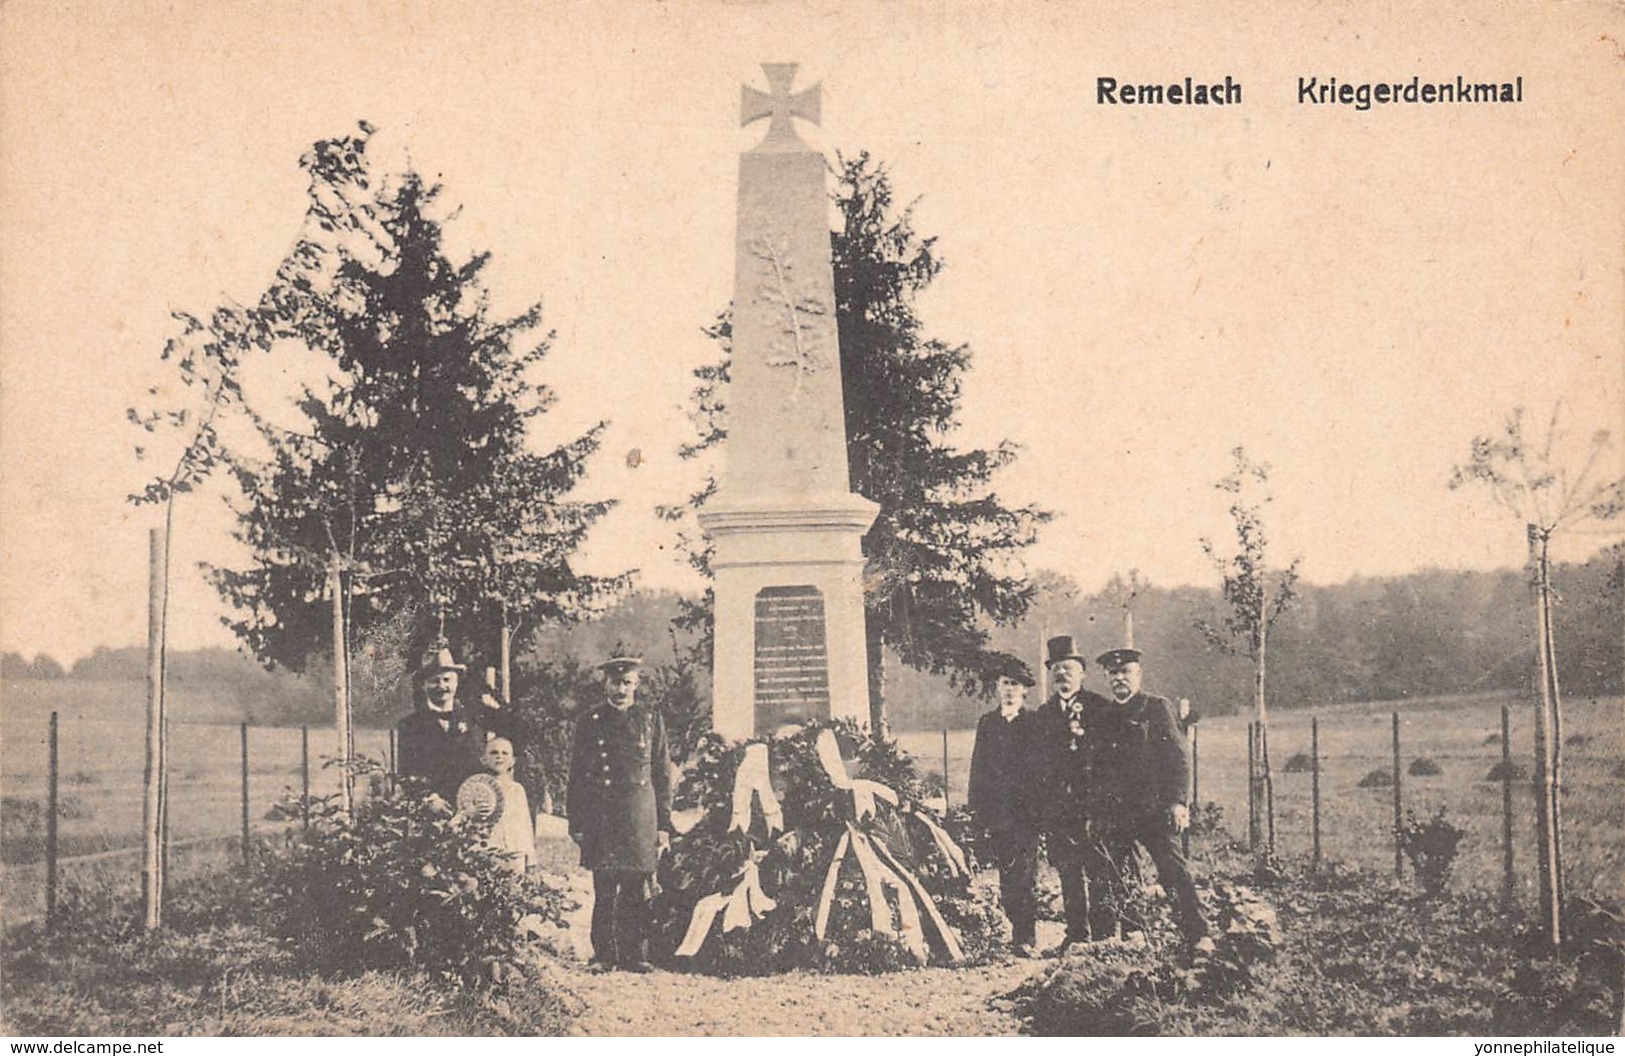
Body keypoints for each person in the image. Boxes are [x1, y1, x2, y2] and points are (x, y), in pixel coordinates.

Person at [1081, 647, 1209, 949]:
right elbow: (1097, 769)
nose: (1119, 678)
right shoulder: (1105, 715)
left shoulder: (1156, 708)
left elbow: (1179, 759)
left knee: (1173, 871)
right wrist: (1096, 812)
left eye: (1125, 672)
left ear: (1138, 675)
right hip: (1117, 813)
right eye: (1113, 674)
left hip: (1155, 809)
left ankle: (1198, 934)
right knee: (1120, 874)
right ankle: (1134, 936)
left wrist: (1179, 802)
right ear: (1107, 678)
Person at [567, 649, 674, 973]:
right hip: (602, 814)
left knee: (636, 888)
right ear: (605, 685)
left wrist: (664, 822)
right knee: (604, 887)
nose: (620, 689)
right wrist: (577, 820)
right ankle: (604, 954)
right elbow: (577, 775)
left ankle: (633, 953)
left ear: (636, 684)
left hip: (639, 813)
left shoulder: (650, 718)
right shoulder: (590, 721)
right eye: (615, 683)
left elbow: (662, 772)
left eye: (627, 683)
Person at [1030, 634, 1113, 954]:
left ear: (1082, 673)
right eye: (1056, 670)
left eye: (1068, 667)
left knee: (1099, 870)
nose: (1062, 674)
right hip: (1058, 810)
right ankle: (1076, 934)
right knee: (1068, 871)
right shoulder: (1044, 714)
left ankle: (1103, 937)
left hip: (1093, 807)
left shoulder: (1100, 709)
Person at [967, 653, 1041, 956]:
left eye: (1016, 685)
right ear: (998, 688)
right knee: (1006, 877)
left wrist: (1039, 810)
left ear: (1025, 690)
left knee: (1024, 875)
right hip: (998, 814)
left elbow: (1043, 769)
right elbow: (978, 769)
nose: (1010, 690)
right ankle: (1015, 931)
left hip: (1026, 814)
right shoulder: (988, 723)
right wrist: (977, 812)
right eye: (1005, 683)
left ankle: (1026, 937)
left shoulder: (1035, 722)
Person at [395, 644, 519, 804]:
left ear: (457, 682)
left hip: (476, 806)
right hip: (433, 811)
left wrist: (494, 700)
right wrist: (429, 800)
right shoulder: (410, 726)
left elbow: (513, 731)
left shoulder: (476, 717)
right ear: (423, 685)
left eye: (447, 680)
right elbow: (406, 774)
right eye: (434, 681)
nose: (442, 686)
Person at [457, 736, 536, 874]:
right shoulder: (476, 786)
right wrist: (471, 813)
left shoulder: (517, 790)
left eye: (504, 753)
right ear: (483, 759)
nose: (499, 757)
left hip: (514, 852)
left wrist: (531, 859)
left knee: (514, 891)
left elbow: (525, 826)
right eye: (494, 753)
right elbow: (462, 819)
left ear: (513, 761)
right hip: (487, 851)